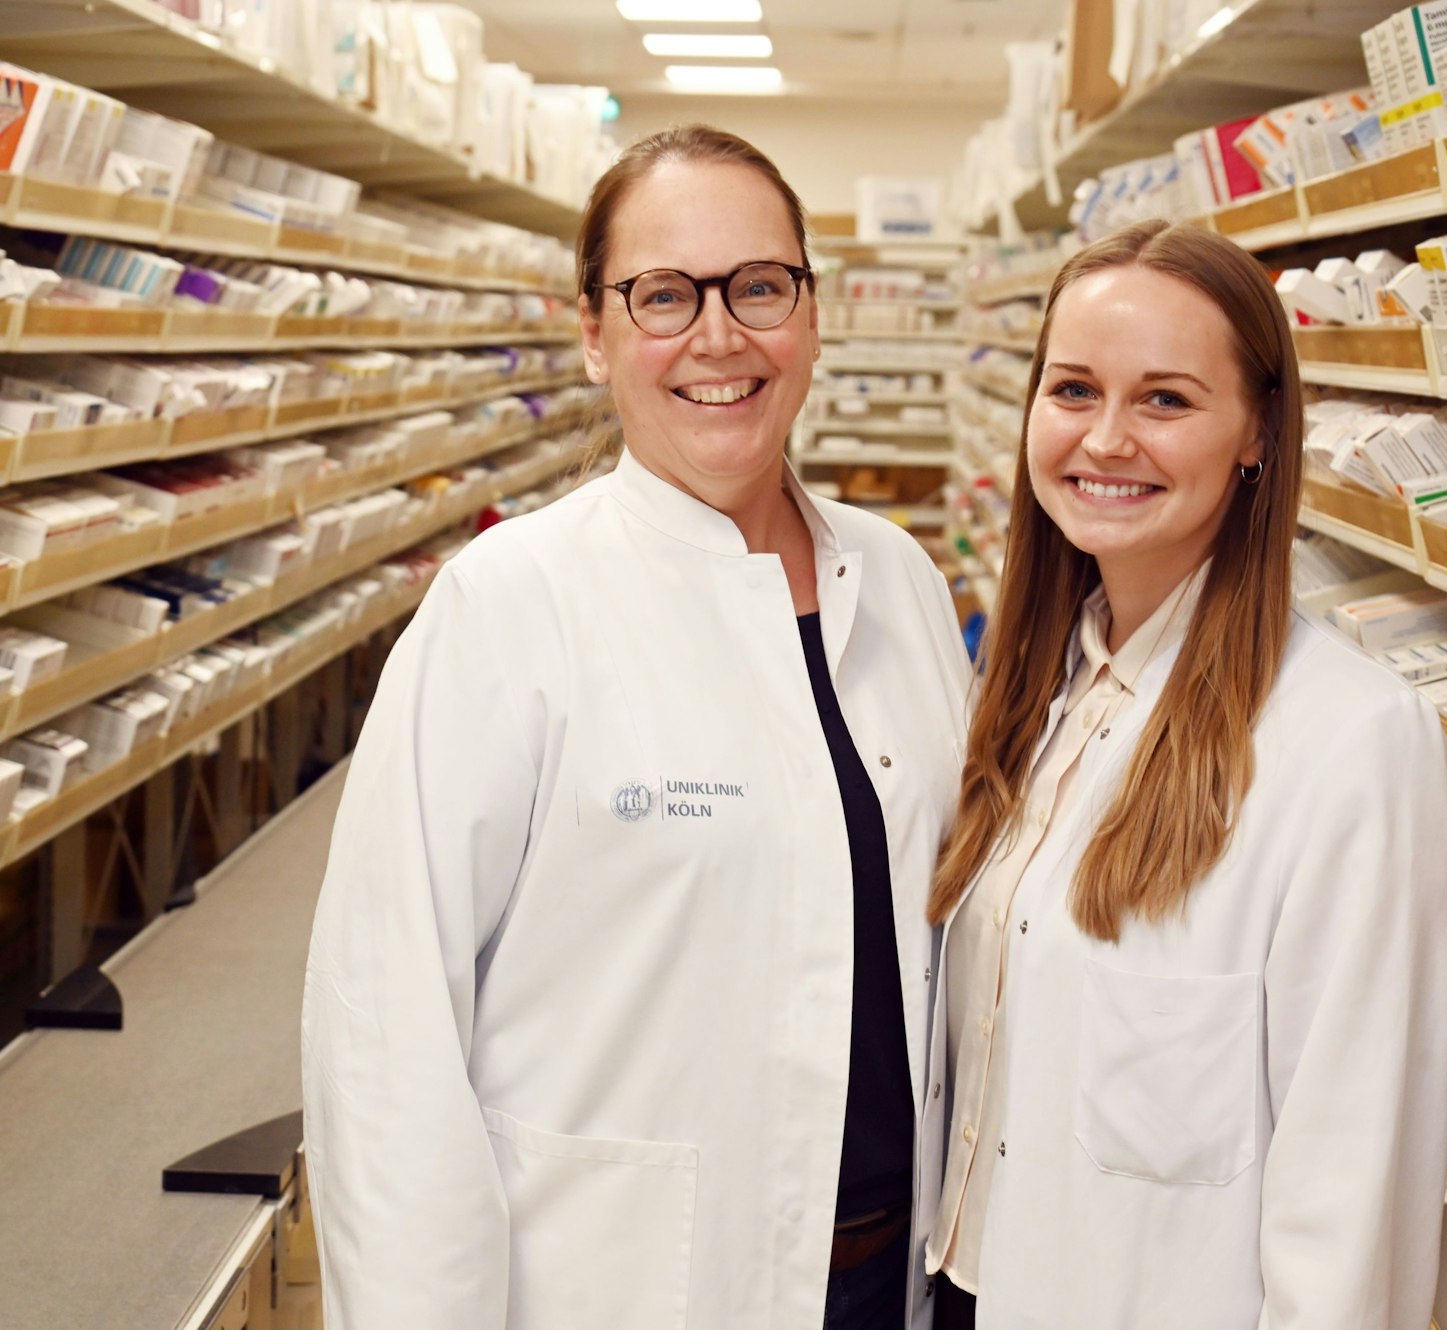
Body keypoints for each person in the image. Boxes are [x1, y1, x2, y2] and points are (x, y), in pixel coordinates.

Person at [301, 124, 971, 1330]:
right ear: (594, 332)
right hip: (623, 1287)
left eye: (759, 287)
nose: (718, 337)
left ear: (811, 314)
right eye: (663, 295)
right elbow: (383, 1035)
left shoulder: (902, 582)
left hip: (889, 1279)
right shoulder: (507, 607)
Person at [924, 219, 1447, 1330]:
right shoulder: (1032, 698)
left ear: (1256, 432)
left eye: (1164, 400)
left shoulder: (1352, 746)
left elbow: (1350, 1211)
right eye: (1073, 389)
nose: (1105, 439)